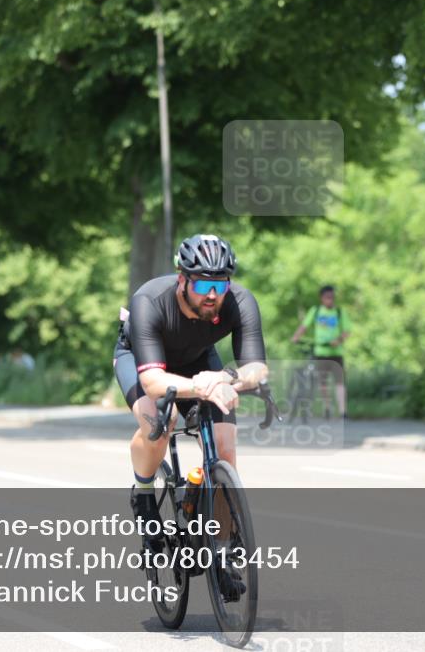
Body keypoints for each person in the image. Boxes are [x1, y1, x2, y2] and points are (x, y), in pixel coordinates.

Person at [113, 234, 268, 600]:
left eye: (220, 285)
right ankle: (144, 493)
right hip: (142, 361)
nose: (212, 295)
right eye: (202, 285)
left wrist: (227, 378)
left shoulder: (239, 301)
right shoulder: (149, 301)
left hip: (200, 361)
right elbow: (152, 381)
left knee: (226, 449)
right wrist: (200, 387)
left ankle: (224, 551)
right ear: (182, 279)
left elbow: (257, 368)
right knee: (158, 424)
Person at [291, 285, 351, 420]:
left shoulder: (340, 312)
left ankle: (343, 412)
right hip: (320, 352)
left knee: (340, 382)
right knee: (323, 383)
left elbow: (347, 330)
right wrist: (296, 337)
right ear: (322, 298)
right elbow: (304, 326)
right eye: (327, 297)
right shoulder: (316, 311)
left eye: (332, 297)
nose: (330, 300)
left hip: (336, 352)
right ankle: (327, 408)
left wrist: (339, 340)